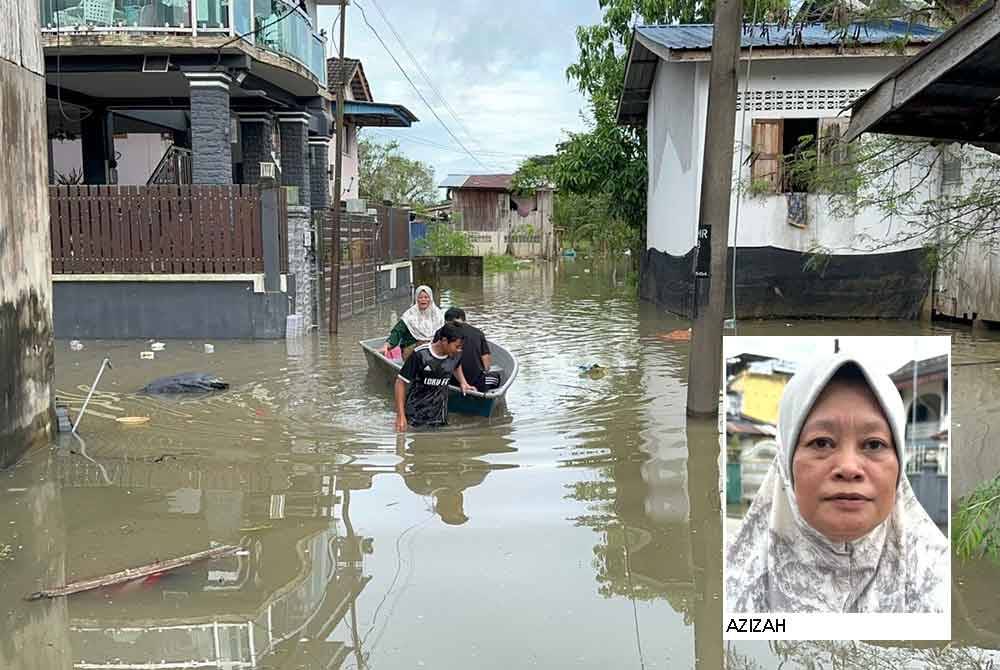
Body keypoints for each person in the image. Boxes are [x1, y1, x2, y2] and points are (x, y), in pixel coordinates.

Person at [725, 353, 949, 613]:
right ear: (787, 466)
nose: (849, 468)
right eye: (821, 442)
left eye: (874, 444)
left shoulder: (943, 584)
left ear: (899, 464)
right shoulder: (729, 589)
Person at [395, 323, 475, 432]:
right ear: (444, 341)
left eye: (461, 347)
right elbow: (400, 382)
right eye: (457, 346)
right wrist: (400, 416)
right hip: (415, 415)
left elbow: (456, 365)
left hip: (440, 416)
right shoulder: (420, 354)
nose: (459, 350)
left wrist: (463, 382)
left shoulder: (456, 354)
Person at [443, 307, 502, 392]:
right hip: (475, 383)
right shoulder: (478, 333)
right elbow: (486, 363)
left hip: (450, 381)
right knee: (496, 377)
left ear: (446, 321)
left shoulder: (441, 333)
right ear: (463, 319)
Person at [380, 285, 444, 360]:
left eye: (426, 297)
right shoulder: (409, 315)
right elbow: (397, 332)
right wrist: (386, 345)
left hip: (432, 349)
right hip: (411, 351)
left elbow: (445, 333)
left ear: (431, 299)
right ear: (416, 299)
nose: (423, 300)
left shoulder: (438, 315)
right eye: (420, 298)